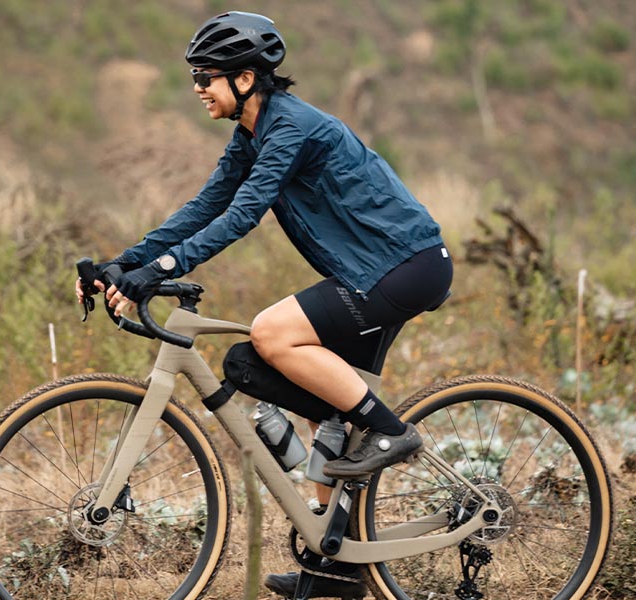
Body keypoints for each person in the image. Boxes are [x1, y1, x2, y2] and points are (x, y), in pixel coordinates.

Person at [76, 11, 453, 599]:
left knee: (271, 333)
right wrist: (125, 264)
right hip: (371, 271)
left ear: (246, 79)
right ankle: (336, 571)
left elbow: (243, 214)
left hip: (404, 266)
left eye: (207, 76)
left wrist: (165, 269)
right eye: (194, 77)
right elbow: (203, 208)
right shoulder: (250, 136)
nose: (197, 88)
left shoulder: (291, 129)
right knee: (326, 408)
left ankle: (391, 432)